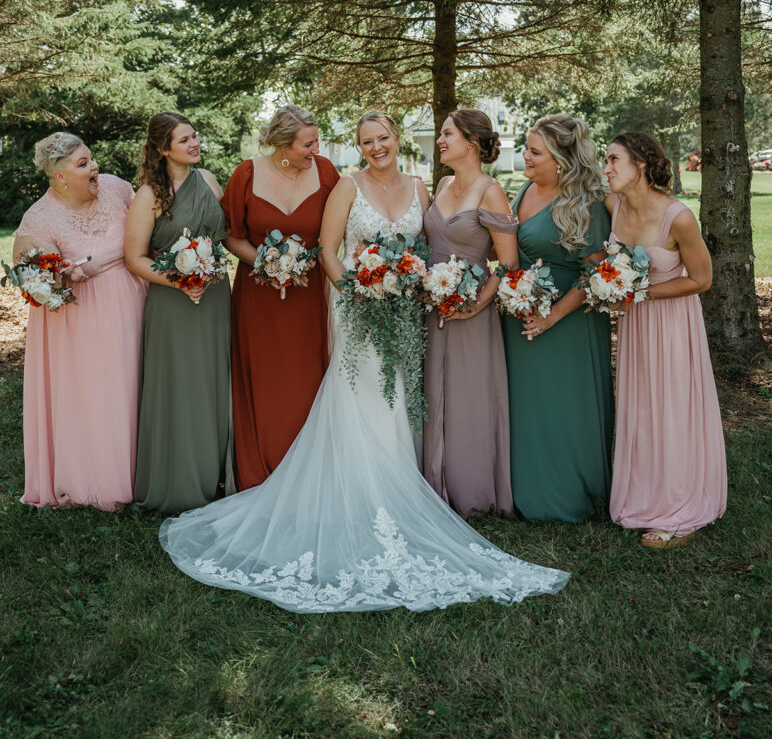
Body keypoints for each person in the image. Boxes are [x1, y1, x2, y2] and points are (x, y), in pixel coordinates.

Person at [158, 111, 569, 613]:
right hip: (357, 310)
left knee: (398, 395)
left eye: (383, 138)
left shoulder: (424, 190)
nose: (376, 147)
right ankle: (359, 492)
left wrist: (414, 284)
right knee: (361, 392)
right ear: (359, 148)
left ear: (397, 139)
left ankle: (398, 483)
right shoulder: (347, 187)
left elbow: (426, 250)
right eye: (366, 141)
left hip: (405, 313)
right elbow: (328, 251)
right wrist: (356, 290)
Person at [604, 132, 726, 548]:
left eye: (614, 159)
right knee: (640, 407)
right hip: (636, 329)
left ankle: (679, 513)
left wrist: (639, 292)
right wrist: (606, 282)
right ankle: (643, 496)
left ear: (640, 165)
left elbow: (703, 279)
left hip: (672, 325)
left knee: (672, 409)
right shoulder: (613, 205)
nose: (607, 168)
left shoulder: (679, 217)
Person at [13, 132, 145, 510]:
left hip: (133, 301)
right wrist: (59, 276)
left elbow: (146, 235)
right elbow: (33, 281)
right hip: (80, 321)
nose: (95, 168)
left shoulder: (118, 190)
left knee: (132, 384)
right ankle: (95, 479)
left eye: (92, 159)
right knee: (96, 393)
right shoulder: (39, 219)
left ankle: (142, 471)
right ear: (59, 176)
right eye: (83, 163)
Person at [220, 105, 339, 490]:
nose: (315, 149)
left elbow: (338, 233)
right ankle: (260, 467)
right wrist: (268, 266)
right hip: (259, 298)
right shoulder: (246, 174)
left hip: (309, 298)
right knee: (264, 380)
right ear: (283, 145)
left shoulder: (327, 173)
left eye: (316, 141)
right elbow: (232, 236)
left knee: (307, 378)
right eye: (308, 144)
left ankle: (309, 469)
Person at [503, 113, 613, 522]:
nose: (525, 157)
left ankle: (566, 495)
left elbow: (597, 273)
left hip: (568, 323)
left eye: (535, 152)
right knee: (528, 407)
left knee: (563, 407)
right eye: (527, 149)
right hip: (522, 316)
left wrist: (552, 317)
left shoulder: (586, 204)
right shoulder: (525, 189)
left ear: (561, 161)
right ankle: (525, 490)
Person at [125, 113, 231, 514]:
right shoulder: (149, 195)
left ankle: (213, 475)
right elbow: (134, 258)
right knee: (179, 386)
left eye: (195, 136)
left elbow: (223, 238)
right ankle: (178, 480)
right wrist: (180, 281)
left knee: (212, 382)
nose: (194, 143)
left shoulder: (209, 181)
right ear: (163, 149)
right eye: (185, 139)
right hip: (173, 302)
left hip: (216, 299)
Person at [422, 109, 518, 518]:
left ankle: (470, 490)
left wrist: (473, 306)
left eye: (447, 134)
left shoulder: (490, 190)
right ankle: (431, 482)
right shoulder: (442, 183)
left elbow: (509, 266)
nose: (440, 140)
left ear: (471, 143)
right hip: (431, 305)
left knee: (467, 397)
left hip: (471, 311)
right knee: (431, 391)